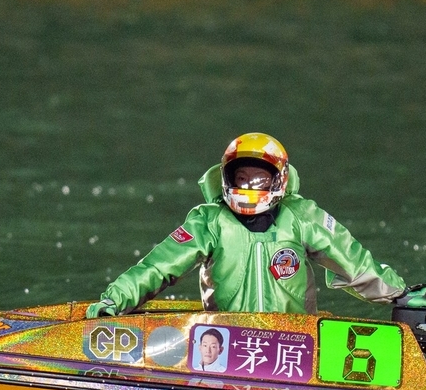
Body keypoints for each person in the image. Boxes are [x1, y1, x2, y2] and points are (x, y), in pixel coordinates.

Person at [86, 133, 406, 317]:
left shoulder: (302, 216)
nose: (249, 186)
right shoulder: (209, 221)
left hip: (294, 347)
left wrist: (400, 295)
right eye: (241, 177)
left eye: (259, 179)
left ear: (279, 180)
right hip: (226, 345)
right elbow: (157, 266)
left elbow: (353, 262)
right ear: (227, 177)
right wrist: (115, 301)